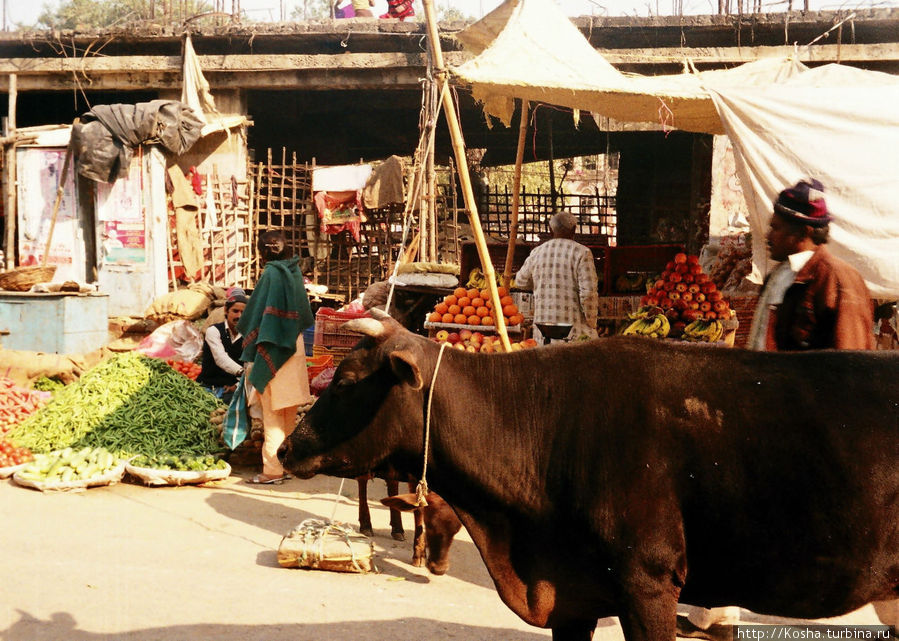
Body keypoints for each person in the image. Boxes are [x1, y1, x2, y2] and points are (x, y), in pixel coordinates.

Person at [747, 179, 874, 351]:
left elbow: (850, 356)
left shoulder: (836, 278)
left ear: (803, 232)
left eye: (776, 228)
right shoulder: (778, 275)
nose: (769, 237)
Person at [239, 230, 315, 485]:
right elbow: (303, 313)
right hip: (293, 348)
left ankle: (272, 471)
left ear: (262, 251)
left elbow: (255, 313)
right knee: (288, 415)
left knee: (272, 415)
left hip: (273, 349)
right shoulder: (294, 272)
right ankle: (289, 465)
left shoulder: (271, 273)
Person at [515, 212, 599, 343]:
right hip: (573, 333)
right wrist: (592, 322)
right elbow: (588, 293)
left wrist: (540, 283)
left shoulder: (537, 252)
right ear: (574, 230)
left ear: (550, 230)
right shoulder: (582, 252)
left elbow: (520, 281)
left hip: (543, 335)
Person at [196, 292, 247, 405]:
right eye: (235, 311)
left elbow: (250, 364)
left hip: (230, 389)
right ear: (226, 311)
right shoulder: (213, 331)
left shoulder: (248, 337)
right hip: (208, 385)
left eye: (243, 312)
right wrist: (243, 373)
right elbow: (220, 358)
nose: (239, 316)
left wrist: (237, 385)